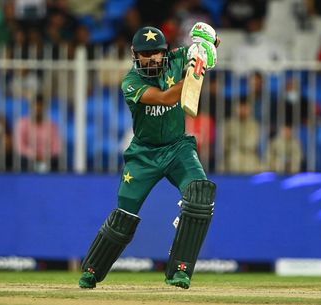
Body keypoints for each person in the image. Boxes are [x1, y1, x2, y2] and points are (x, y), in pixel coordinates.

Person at [78, 23, 219, 289]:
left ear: (165, 52)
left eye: (157, 52)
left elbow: (207, 48)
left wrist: (207, 47)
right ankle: (92, 270)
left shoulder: (178, 58)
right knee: (124, 215)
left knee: (200, 194)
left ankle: (180, 270)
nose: (152, 58)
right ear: (135, 54)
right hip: (143, 155)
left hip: (178, 148)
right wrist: (194, 73)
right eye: (145, 53)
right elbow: (166, 98)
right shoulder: (131, 82)